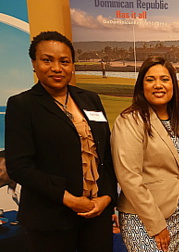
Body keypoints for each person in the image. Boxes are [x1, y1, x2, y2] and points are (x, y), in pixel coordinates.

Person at [5, 31, 117, 251]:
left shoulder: (90, 98)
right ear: (34, 63)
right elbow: (19, 166)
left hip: (96, 213)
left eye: (64, 61)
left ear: (72, 65)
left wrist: (107, 197)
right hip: (50, 218)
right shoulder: (22, 105)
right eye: (47, 60)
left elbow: (106, 154)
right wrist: (68, 199)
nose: (57, 68)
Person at [111, 56, 179, 252]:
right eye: (150, 79)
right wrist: (156, 225)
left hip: (175, 215)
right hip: (143, 217)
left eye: (165, 79)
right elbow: (129, 177)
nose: (158, 85)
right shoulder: (130, 120)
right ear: (141, 86)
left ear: (173, 84)